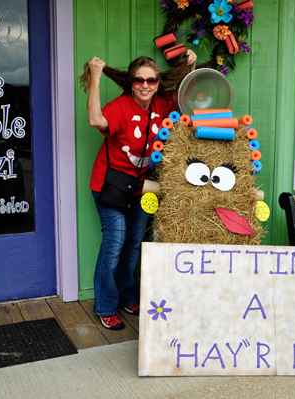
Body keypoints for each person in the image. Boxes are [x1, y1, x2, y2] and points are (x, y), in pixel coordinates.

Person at [79, 50, 197, 330]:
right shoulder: (121, 107)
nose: (146, 85)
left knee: (133, 244)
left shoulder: (163, 105)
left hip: (142, 187)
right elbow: (96, 120)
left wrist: (190, 66)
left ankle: (127, 296)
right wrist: (95, 77)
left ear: (157, 83)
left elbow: (188, 99)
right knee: (115, 243)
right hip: (110, 186)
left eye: (152, 80)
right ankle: (106, 305)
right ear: (131, 83)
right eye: (139, 80)